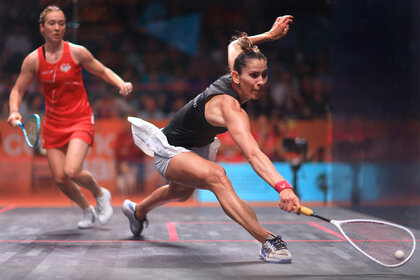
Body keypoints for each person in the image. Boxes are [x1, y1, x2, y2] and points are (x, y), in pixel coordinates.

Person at [122, 15, 301, 263]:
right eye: (254, 76)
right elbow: (253, 154)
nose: (260, 82)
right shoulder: (231, 108)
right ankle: (268, 241)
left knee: (181, 192)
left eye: (264, 75)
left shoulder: (238, 66)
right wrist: (284, 187)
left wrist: (269, 36)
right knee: (217, 176)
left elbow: (235, 45)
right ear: (236, 77)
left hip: (200, 146)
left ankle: (137, 211)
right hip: (171, 149)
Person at [7, 5, 133, 229]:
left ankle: (100, 193)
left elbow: (103, 70)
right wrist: (14, 110)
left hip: (80, 119)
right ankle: (88, 210)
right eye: (52, 23)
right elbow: (17, 90)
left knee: (72, 170)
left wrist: (120, 83)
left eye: (61, 23)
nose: (57, 28)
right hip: (54, 124)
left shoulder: (77, 52)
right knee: (60, 179)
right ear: (42, 27)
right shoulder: (33, 60)